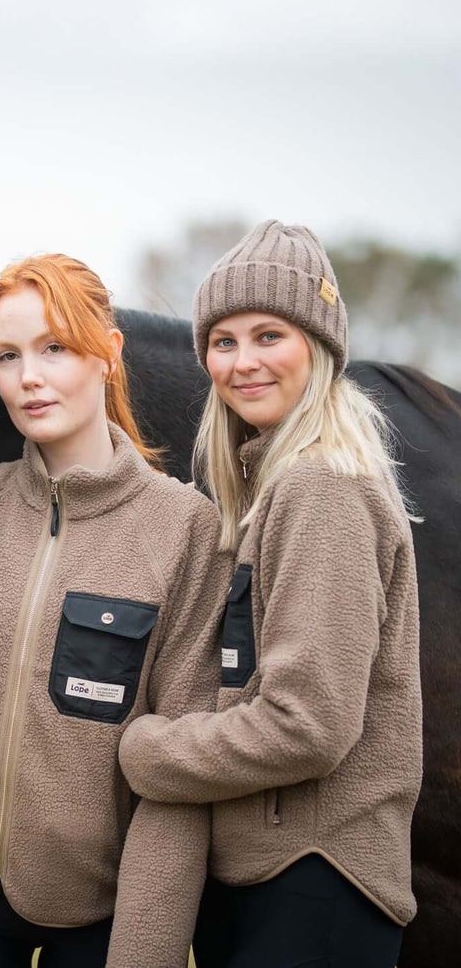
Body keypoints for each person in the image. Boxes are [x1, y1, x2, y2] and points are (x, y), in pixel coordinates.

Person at [0, 253, 229, 968]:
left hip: (98, 913)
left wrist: (147, 947)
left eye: (54, 348)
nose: (28, 376)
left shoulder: (186, 528)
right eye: (7, 356)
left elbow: (185, 761)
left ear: (108, 351)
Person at [117, 220, 423, 968]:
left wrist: (148, 749)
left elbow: (309, 724)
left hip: (316, 884)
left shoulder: (322, 487)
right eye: (223, 341)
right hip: (273, 875)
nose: (242, 361)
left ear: (318, 348)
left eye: (268, 335)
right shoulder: (268, 486)